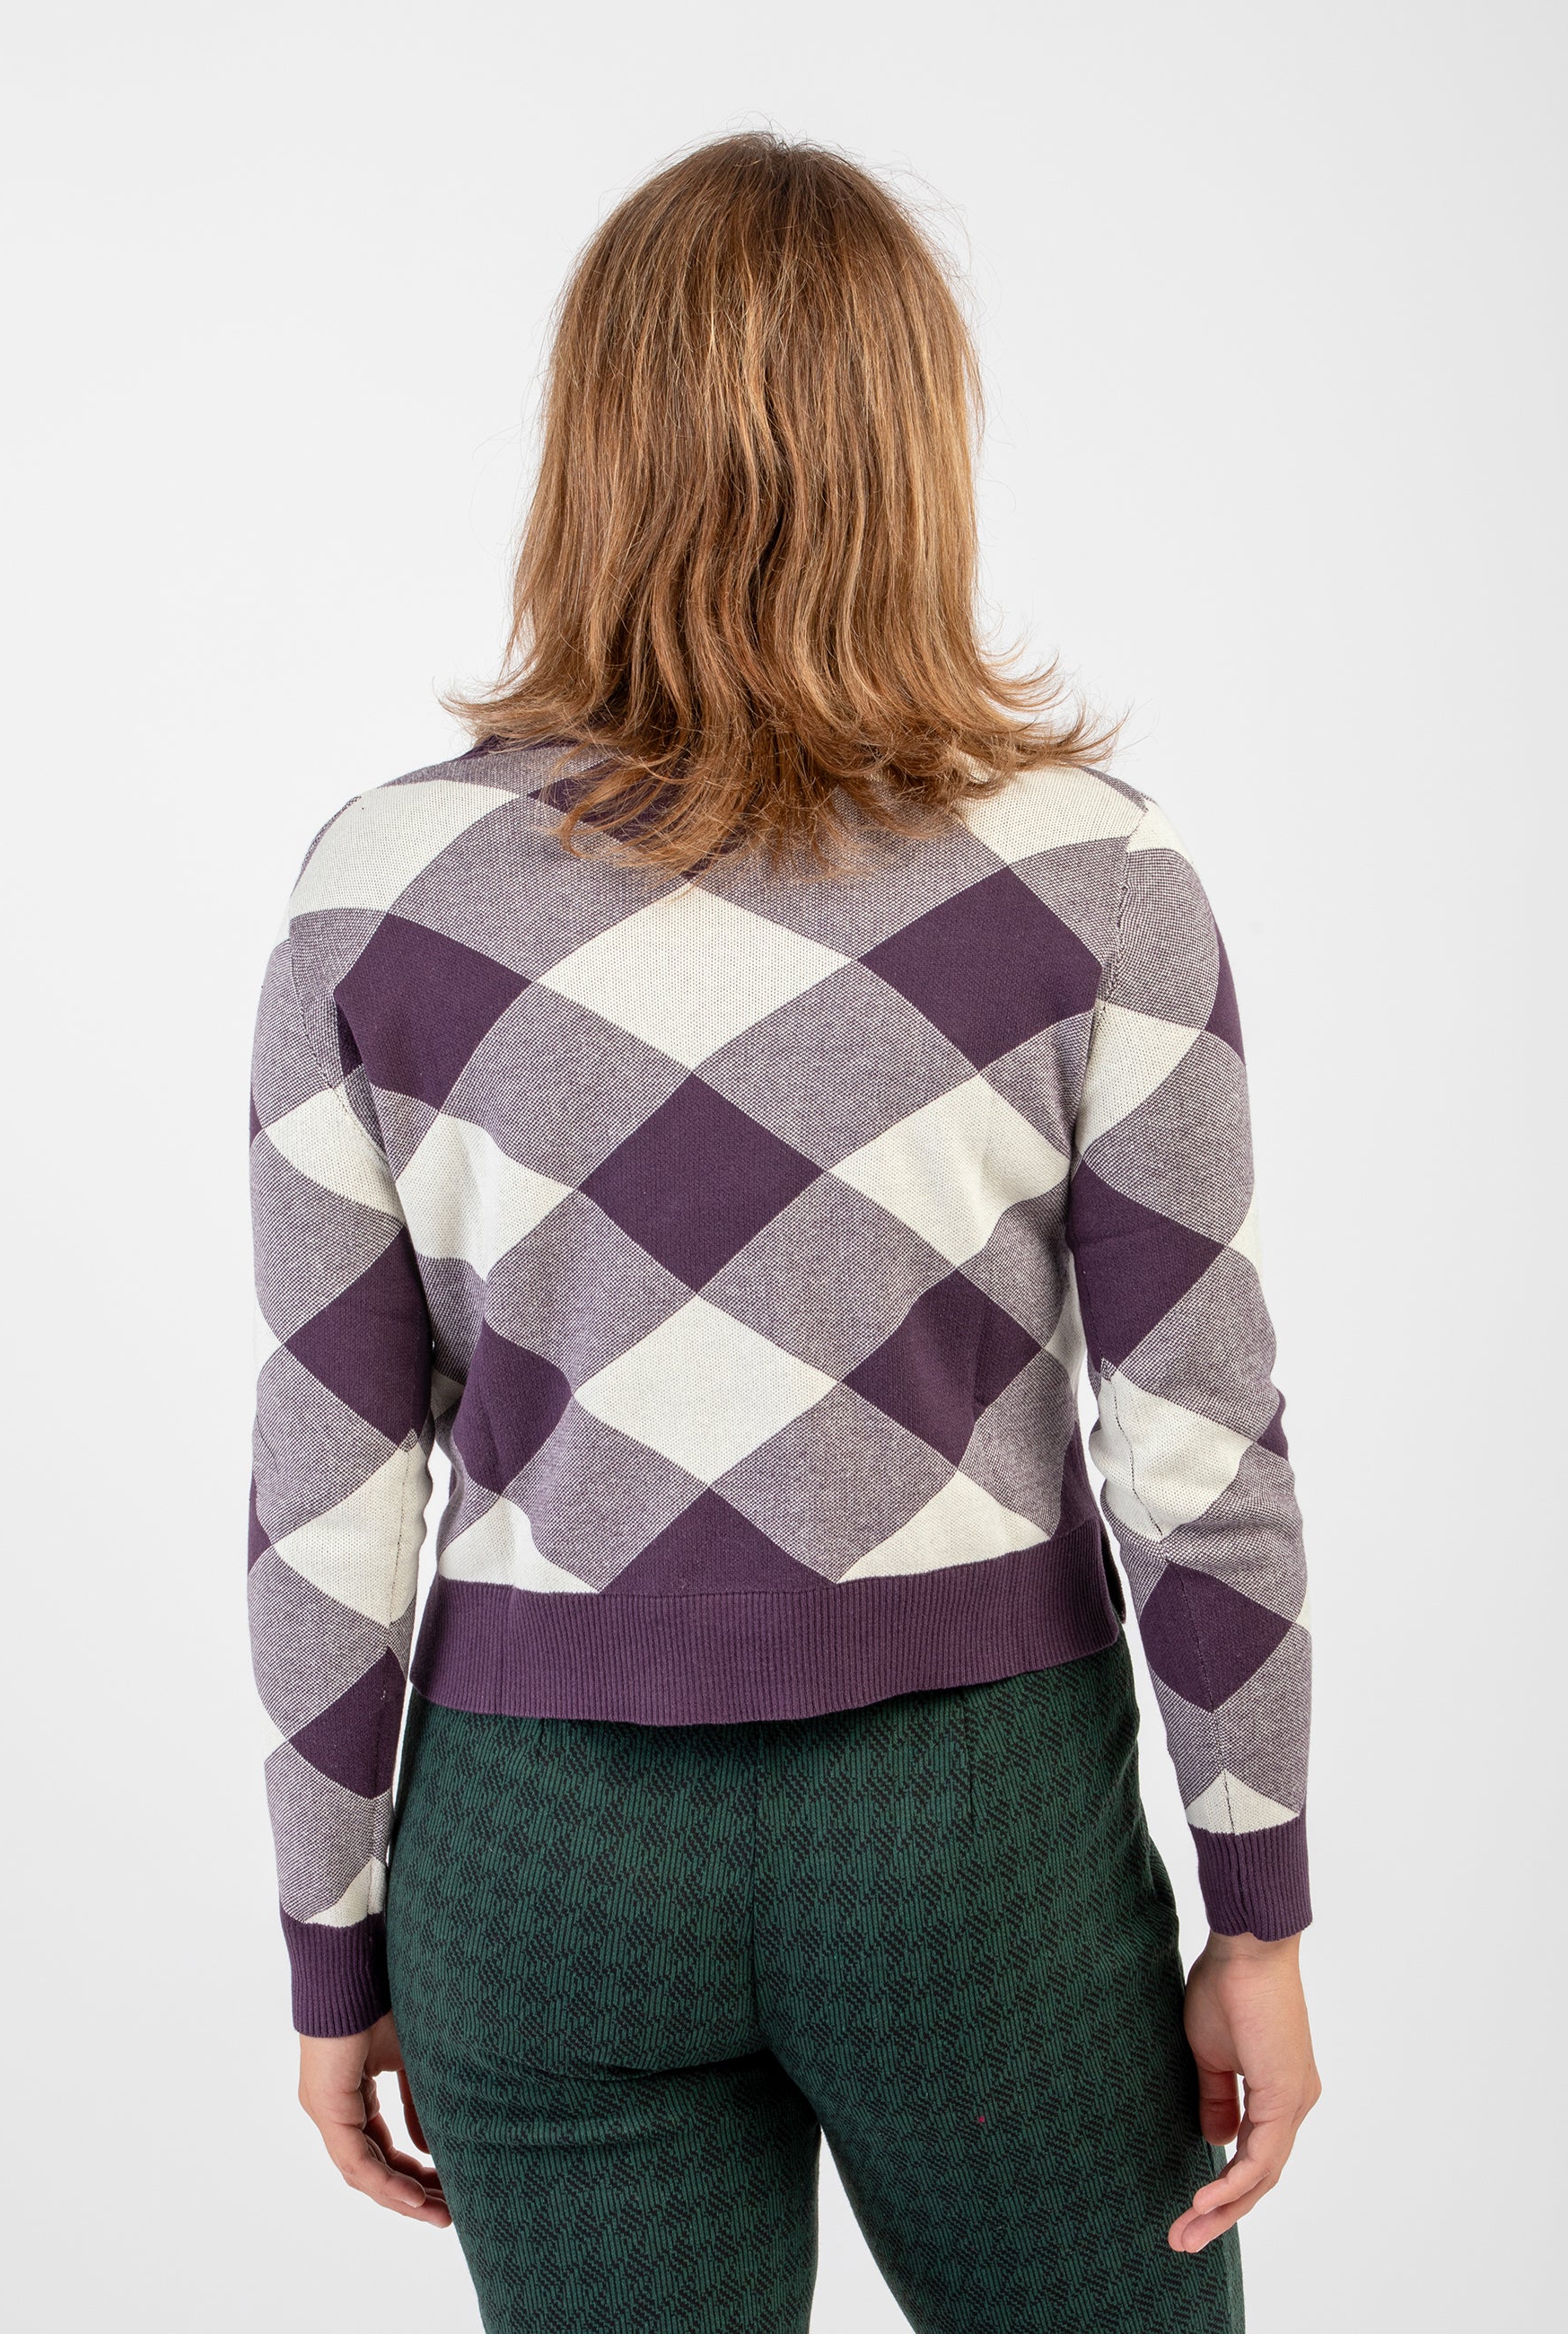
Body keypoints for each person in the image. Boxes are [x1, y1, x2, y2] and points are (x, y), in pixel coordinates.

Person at [248, 131, 1319, 2333]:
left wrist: (328, 1942)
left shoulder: (380, 895)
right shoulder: (1096, 883)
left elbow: (331, 1479)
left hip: (536, 1854)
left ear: (591, 445)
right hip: (974, 1845)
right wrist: (1261, 1902)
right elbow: (1200, 1443)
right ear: (917, 446)